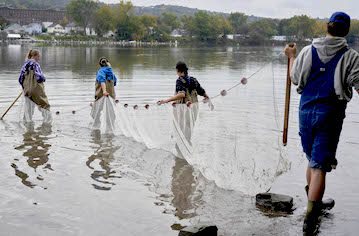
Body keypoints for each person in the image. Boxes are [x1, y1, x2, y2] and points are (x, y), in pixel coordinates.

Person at [284, 12, 359, 234]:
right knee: (318, 166)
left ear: (328, 27)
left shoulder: (307, 51)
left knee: (312, 160)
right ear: (346, 32)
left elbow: (295, 79)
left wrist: (291, 57)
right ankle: (311, 217)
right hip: (330, 114)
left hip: (306, 112)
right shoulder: (351, 56)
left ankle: (313, 199)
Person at [19, 49, 52, 123]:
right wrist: (44, 79)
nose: (39, 58)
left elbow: (20, 79)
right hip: (36, 89)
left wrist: (25, 88)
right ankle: (47, 122)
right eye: (38, 56)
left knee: (29, 106)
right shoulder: (35, 64)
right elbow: (39, 77)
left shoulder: (25, 64)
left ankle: (27, 122)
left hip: (27, 89)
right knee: (44, 104)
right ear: (34, 56)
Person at [90, 57, 117, 131]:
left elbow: (102, 81)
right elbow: (114, 83)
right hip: (110, 96)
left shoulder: (100, 72)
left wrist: (104, 91)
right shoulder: (111, 72)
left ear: (99, 64)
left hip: (101, 96)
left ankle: (97, 127)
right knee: (111, 114)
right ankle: (110, 128)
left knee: (95, 113)